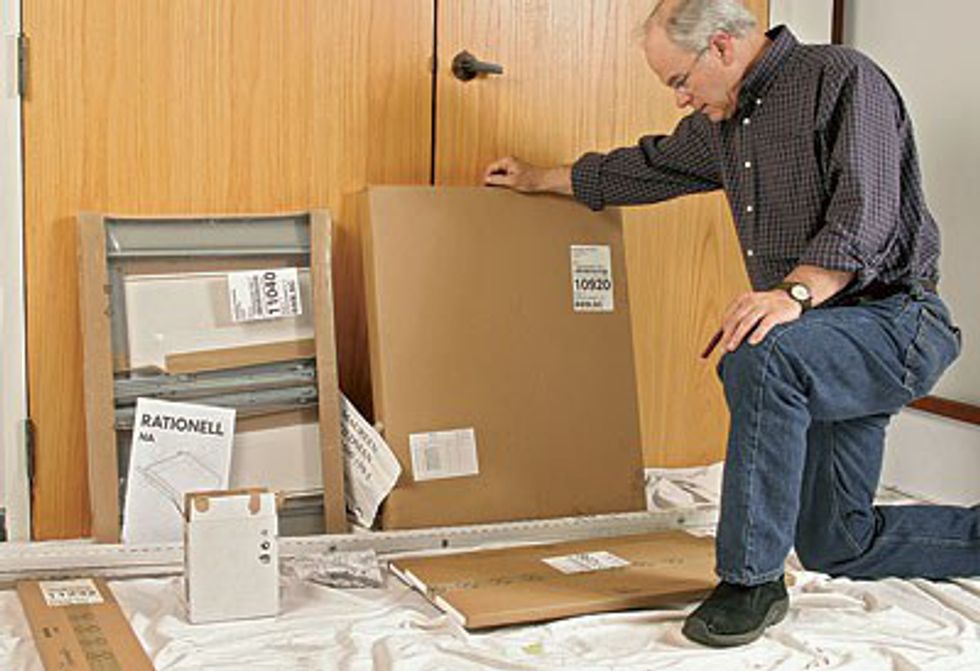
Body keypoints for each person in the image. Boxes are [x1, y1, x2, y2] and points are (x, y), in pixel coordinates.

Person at [485, 0, 975, 648]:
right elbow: (645, 167)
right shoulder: (724, 127)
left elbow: (868, 213)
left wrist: (792, 294)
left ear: (720, 46)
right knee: (838, 541)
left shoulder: (842, 79)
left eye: (679, 81)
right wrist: (537, 178)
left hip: (897, 323)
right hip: (822, 342)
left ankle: (751, 582)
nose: (681, 99)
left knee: (762, 352)